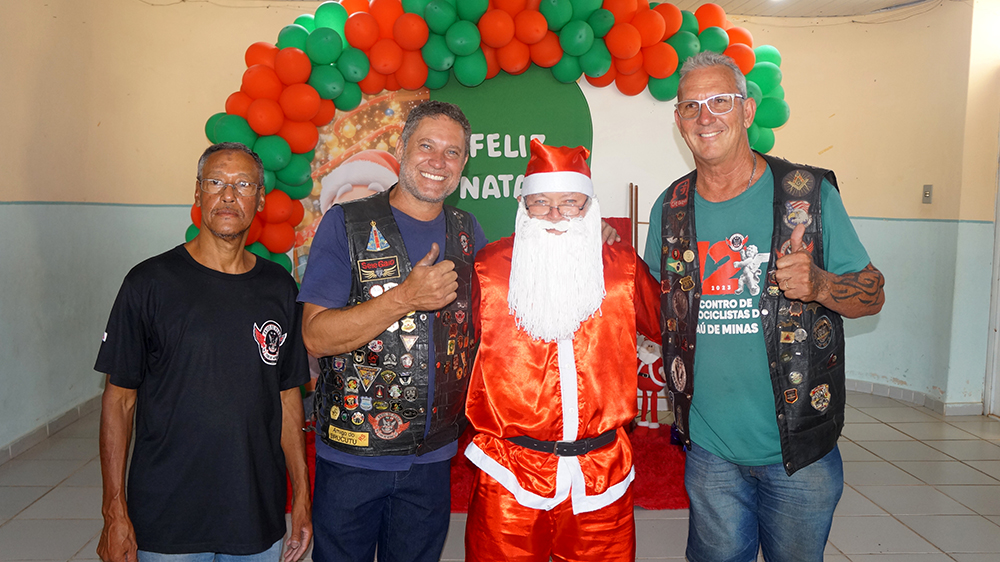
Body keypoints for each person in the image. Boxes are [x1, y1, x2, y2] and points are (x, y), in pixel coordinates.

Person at [645, 52, 885, 562]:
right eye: (691, 106)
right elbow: (648, 305)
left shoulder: (809, 196)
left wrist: (821, 284)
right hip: (709, 448)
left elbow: (873, 292)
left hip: (798, 450)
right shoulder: (670, 208)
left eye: (720, 101)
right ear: (678, 122)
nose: (705, 117)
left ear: (748, 110)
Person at [95, 142, 312, 562]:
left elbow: (288, 399)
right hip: (167, 515)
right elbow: (119, 401)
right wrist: (114, 510)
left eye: (243, 184)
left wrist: (301, 496)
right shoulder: (148, 283)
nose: (228, 195)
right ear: (197, 193)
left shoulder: (280, 289)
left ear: (260, 199)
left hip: (255, 513)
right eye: (216, 182)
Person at [298, 101, 487, 562]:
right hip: (353, 455)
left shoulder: (467, 232)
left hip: (433, 458)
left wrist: (589, 238)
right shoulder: (346, 224)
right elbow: (316, 337)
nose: (438, 162)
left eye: (452, 152)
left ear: (464, 163)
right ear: (401, 149)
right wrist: (405, 297)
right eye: (426, 146)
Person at [463, 140, 661, 562]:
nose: (555, 215)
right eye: (541, 203)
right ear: (523, 206)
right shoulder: (488, 268)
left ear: (589, 206)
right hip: (510, 470)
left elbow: (667, 325)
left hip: (602, 471)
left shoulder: (623, 267)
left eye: (570, 202)